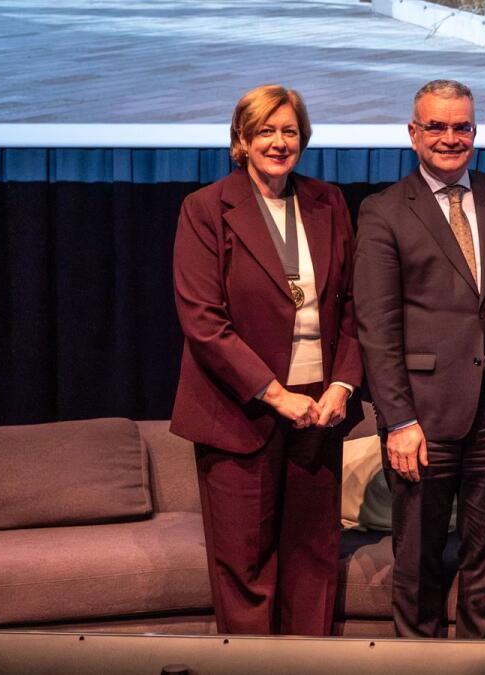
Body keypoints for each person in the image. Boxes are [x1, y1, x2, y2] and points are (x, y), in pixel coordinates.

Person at [171, 84, 362, 635]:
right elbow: (204, 322)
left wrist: (343, 385)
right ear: (242, 140)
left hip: (318, 413)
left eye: (290, 131)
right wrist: (277, 396)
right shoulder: (205, 208)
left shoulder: (328, 201)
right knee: (246, 569)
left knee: (313, 561)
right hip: (242, 414)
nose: (279, 143)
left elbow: (352, 305)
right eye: (266, 132)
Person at [352, 79, 485, 640]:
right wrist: (398, 421)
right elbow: (377, 326)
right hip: (423, 418)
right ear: (413, 133)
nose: (450, 138)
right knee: (417, 560)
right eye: (437, 126)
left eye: (462, 127)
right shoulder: (383, 210)